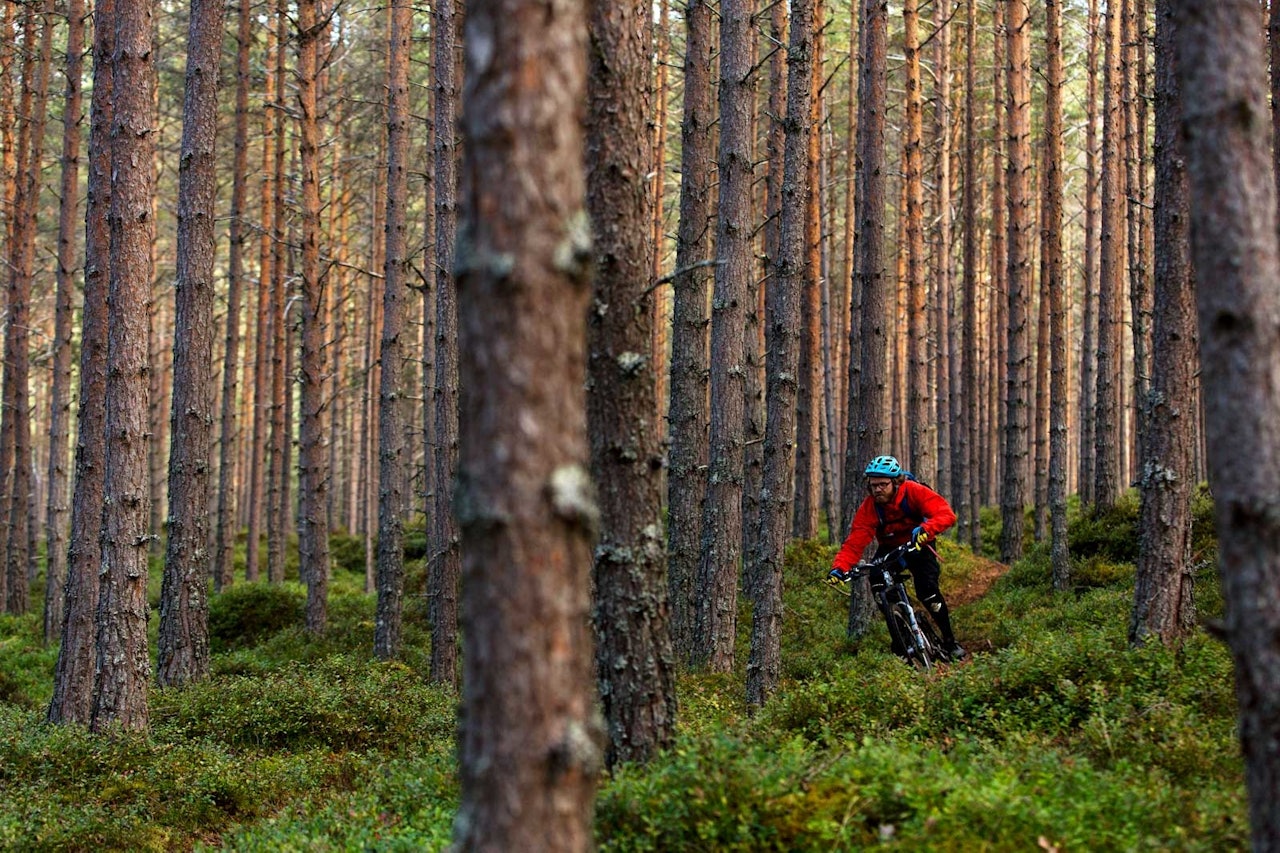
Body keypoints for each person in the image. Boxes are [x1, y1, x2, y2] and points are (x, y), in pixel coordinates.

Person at [828, 454, 966, 661]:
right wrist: (840, 567)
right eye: (873, 485)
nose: (877, 489)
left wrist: (926, 529)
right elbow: (855, 541)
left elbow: (946, 514)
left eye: (883, 484)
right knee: (877, 582)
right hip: (890, 549)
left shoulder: (914, 491)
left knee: (928, 592)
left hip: (919, 544)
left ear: (895, 482)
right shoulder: (870, 507)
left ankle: (950, 642)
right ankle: (901, 635)